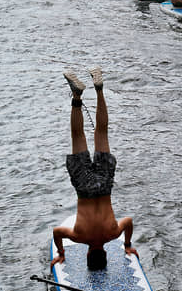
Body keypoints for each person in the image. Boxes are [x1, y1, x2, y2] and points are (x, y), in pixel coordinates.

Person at [50, 69, 139, 271]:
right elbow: (57, 232)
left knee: (102, 132)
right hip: (84, 189)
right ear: (88, 254)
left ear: (105, 253)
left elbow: (128, 222)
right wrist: (61, 253)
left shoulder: (112, 233)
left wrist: (127, 245)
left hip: (105, 186)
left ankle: (99, 90)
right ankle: (77, 96)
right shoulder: (79, 236)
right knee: (78, 135)